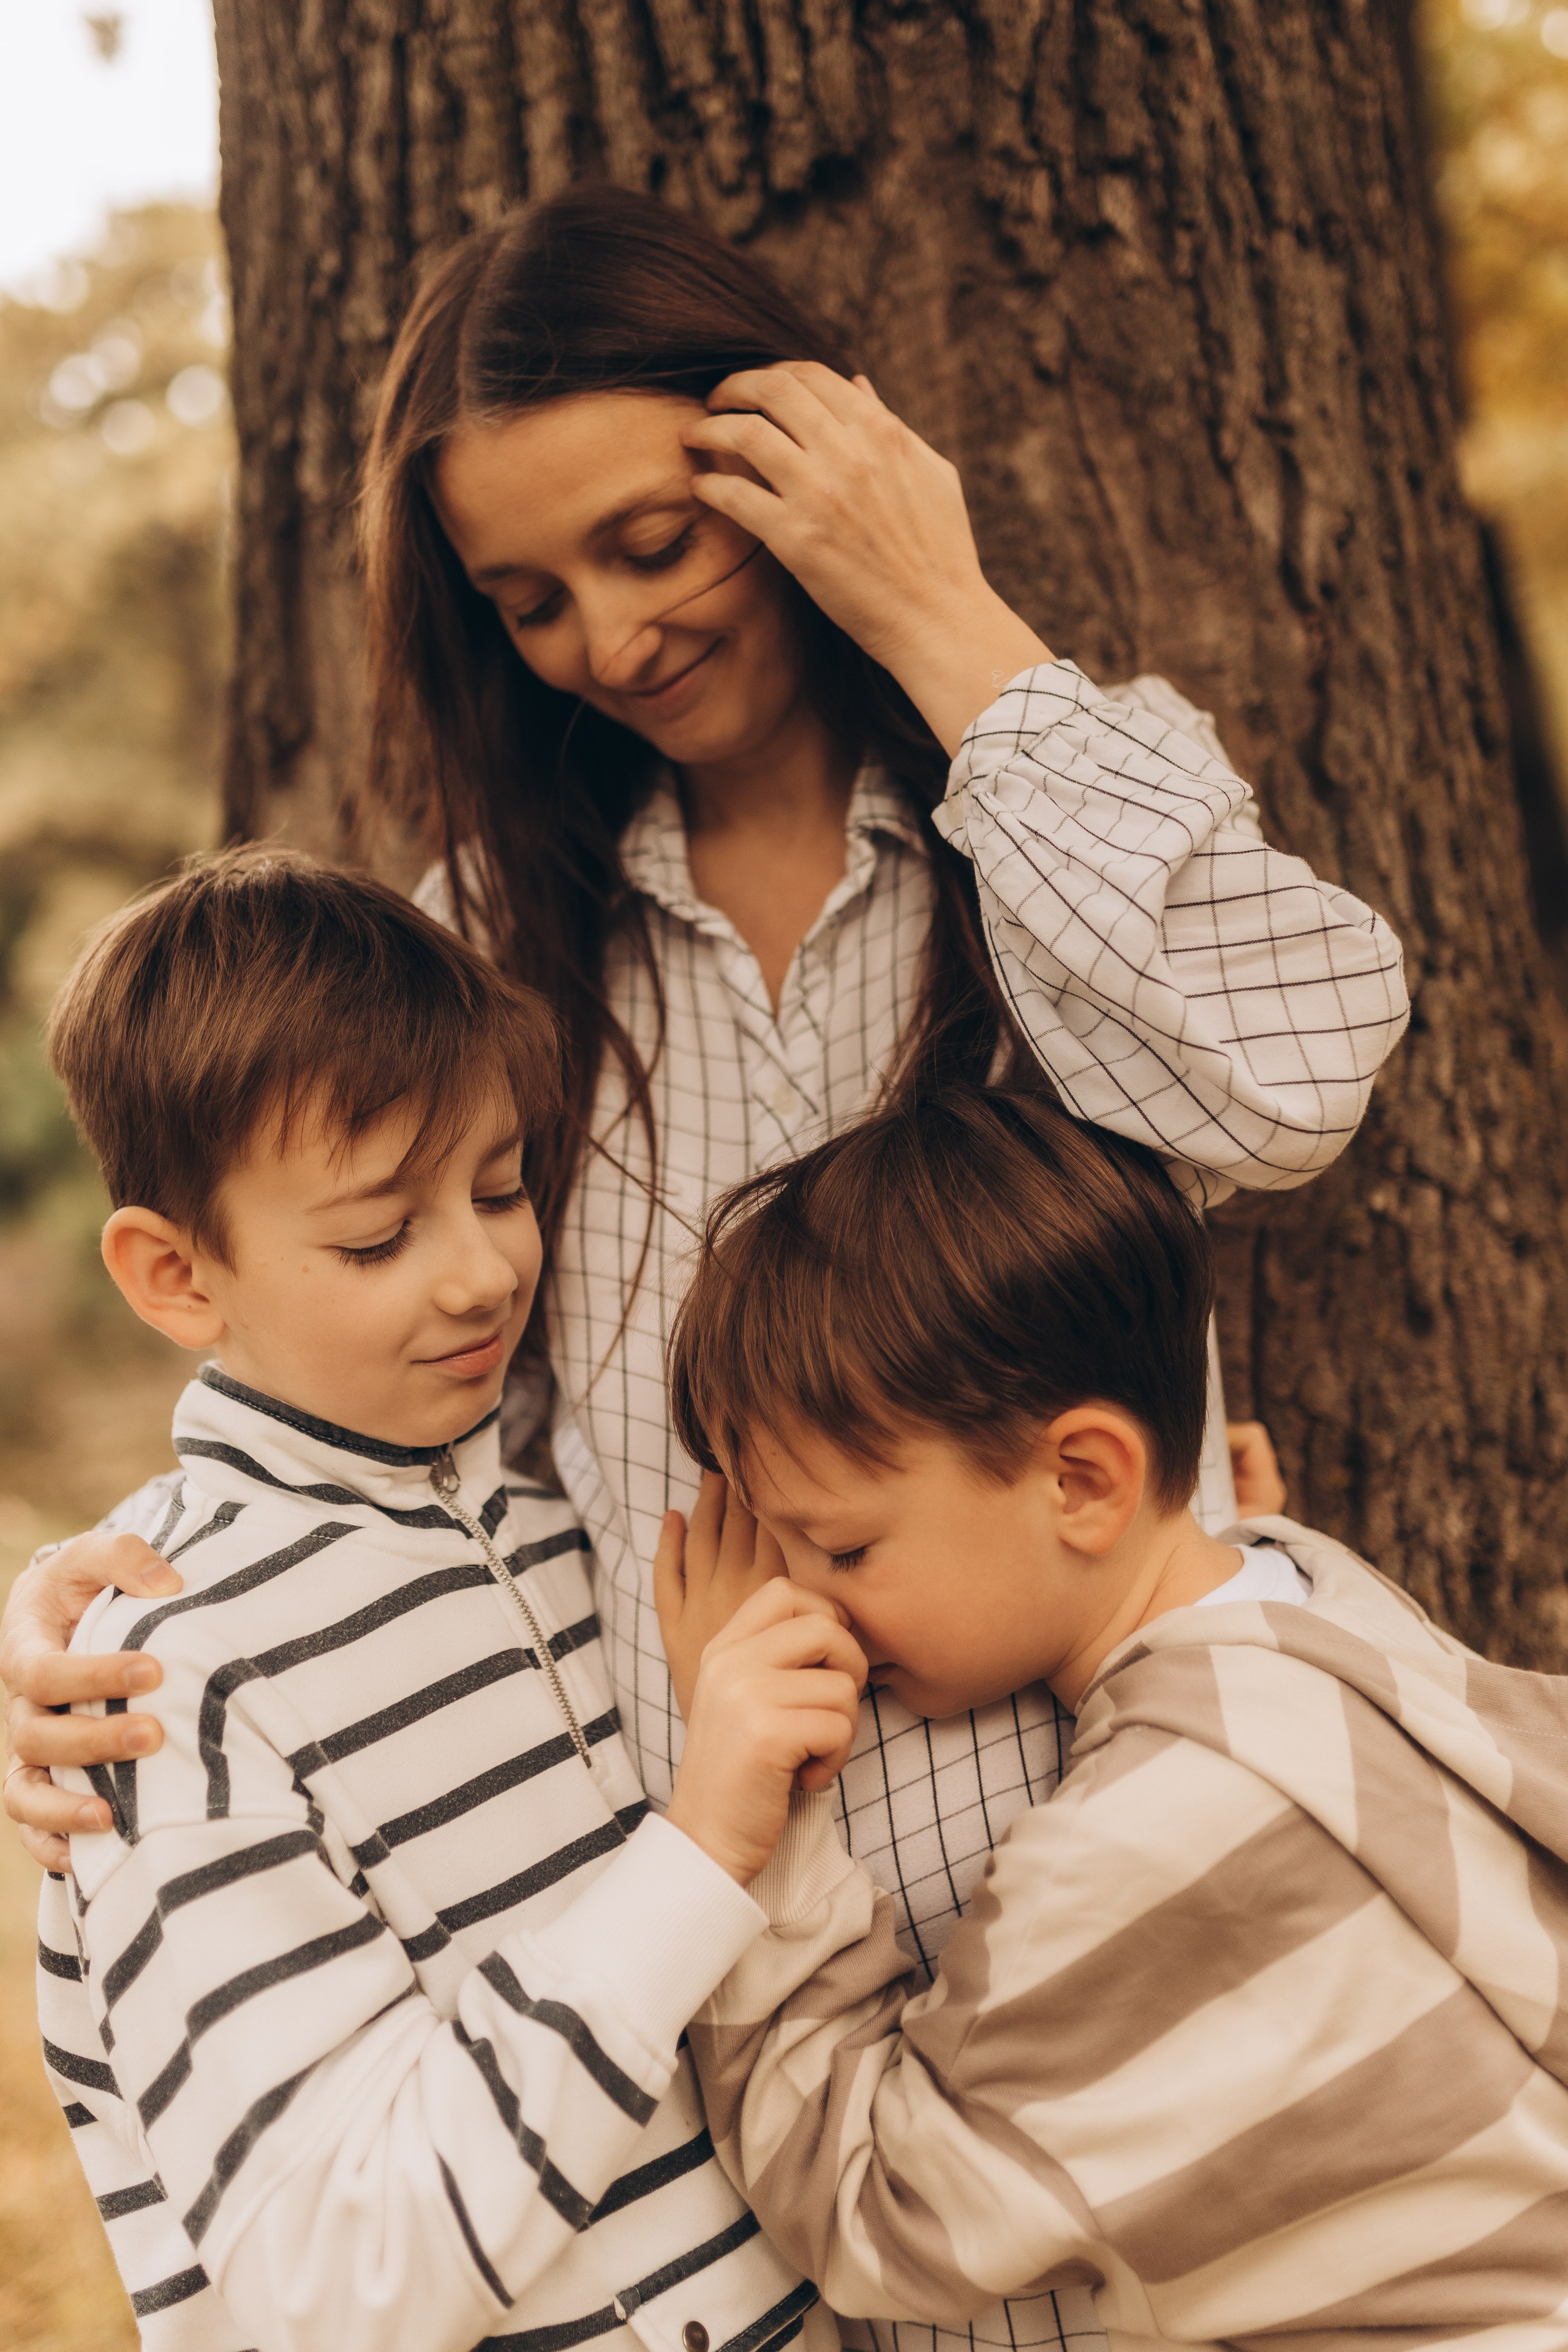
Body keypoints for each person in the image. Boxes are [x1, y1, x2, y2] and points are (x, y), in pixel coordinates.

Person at [6, 186, 1408, 2352]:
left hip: (1147, 1954)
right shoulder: (496, 946)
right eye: (530, 600)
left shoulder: (1056, 816)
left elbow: (1302, 1078)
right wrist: (125, 1587)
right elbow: (398, 1375)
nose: (611, 639)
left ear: (800, 463)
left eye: (655, 543)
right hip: (779, 2084)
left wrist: (941, 612)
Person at [32, 846, 865, 2352]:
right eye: (377, 1236)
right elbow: (338, 2284)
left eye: (501, 1188)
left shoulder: (563, 1516)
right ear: (176, 1277)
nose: (484, 1274)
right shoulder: (168, 1682)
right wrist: (699, 1850)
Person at [655, 1087, 1568, 2347]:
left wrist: (767, 1844)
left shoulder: (1147, 1841)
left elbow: (882, 2211)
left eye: (844, 1549)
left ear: (1083, 1483)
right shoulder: (1325, 1605)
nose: (801, 1600)